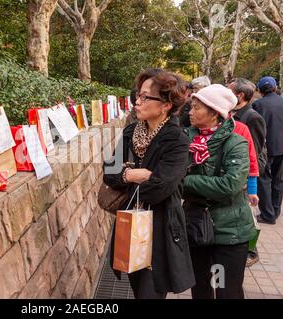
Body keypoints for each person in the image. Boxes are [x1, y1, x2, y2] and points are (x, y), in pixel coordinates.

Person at [103, 69, 195, 299]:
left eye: (145, 97)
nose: (137, 102)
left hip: (161, 227)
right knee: (136, 284)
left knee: (150, 291)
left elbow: (159, 188)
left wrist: (125, 175)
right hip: (131, 219)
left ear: (164, 105)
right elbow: (109, 171)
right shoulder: (131, 131)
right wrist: (132, 175)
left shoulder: (177, 139)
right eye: (138, 95)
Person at [183, 84, 257, 299]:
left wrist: (187, 180)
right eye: (191, 107)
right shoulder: (185, 138)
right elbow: (171, 177)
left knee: (227, 290)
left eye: (197, 108)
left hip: (230, 232)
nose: (190, 112)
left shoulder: (236, 142)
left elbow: (230, 185)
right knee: (200, 288)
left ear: (215, 113)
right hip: (196, 226)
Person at [228, 78, 267, 266]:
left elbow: (255, 150)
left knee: (245, 215)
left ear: (240, 95)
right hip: (236, 173)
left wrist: (250, 180)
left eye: (230, 91)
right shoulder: (232, 114)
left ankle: (251, 251)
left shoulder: (252, 117)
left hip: (243, 174)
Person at [252, 76, 283, 224]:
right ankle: (275, 210)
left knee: (264, 180)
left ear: (260, 90)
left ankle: (267, 214)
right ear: (275, 88)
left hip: (266, 148)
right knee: (278, 180)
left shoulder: (258, 105)